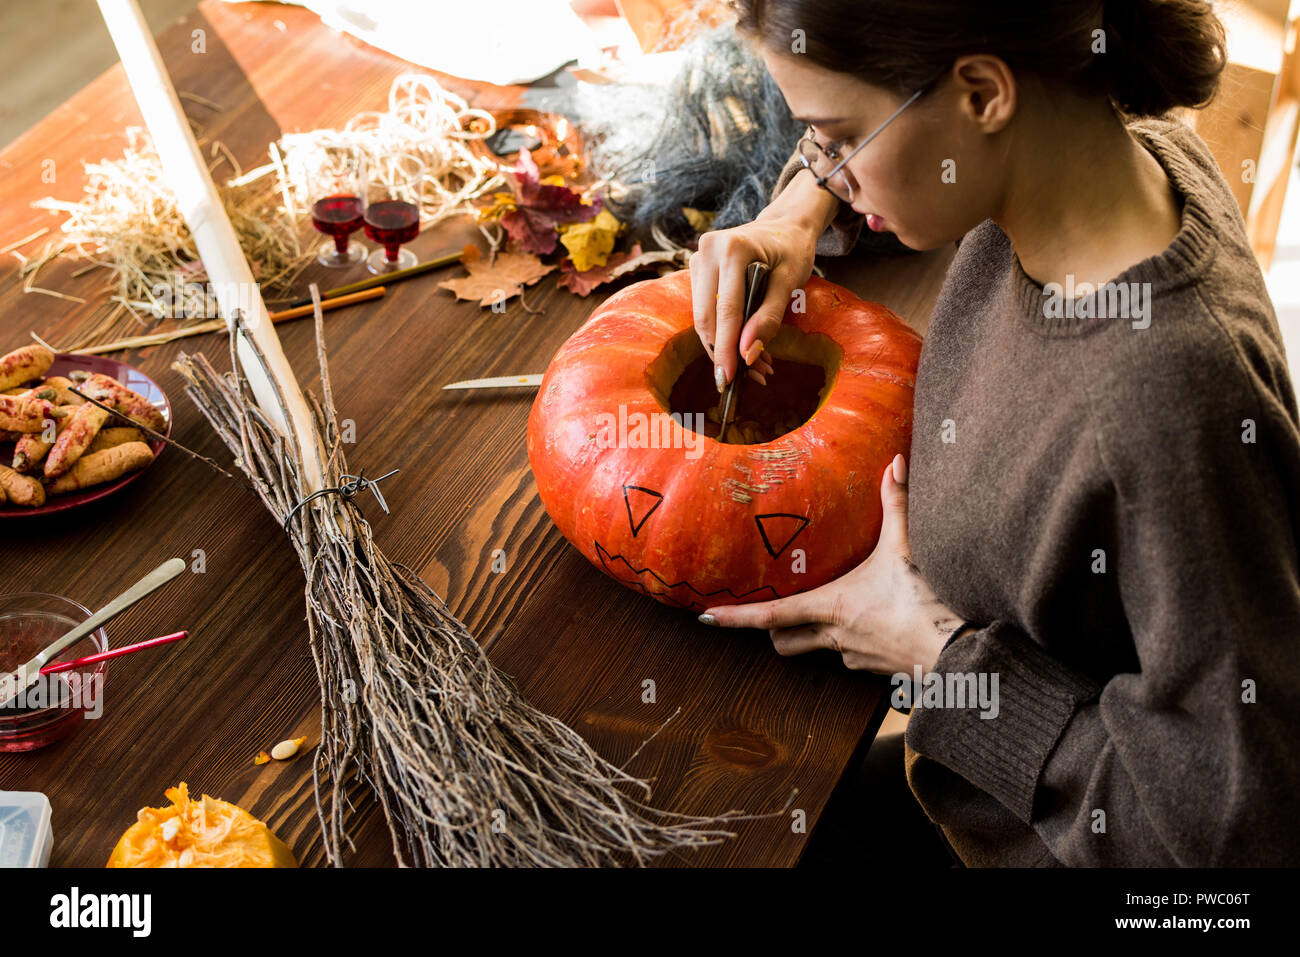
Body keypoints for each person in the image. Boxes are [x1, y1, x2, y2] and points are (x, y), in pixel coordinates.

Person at [691, 0, 1300, 866]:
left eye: (834, 136)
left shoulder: (1167, 403)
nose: (824, 168)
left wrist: (938, 659)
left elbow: (1232, 842)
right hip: (960, 782)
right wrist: (798, 207)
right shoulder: (1114, 143)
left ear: (982, 93)